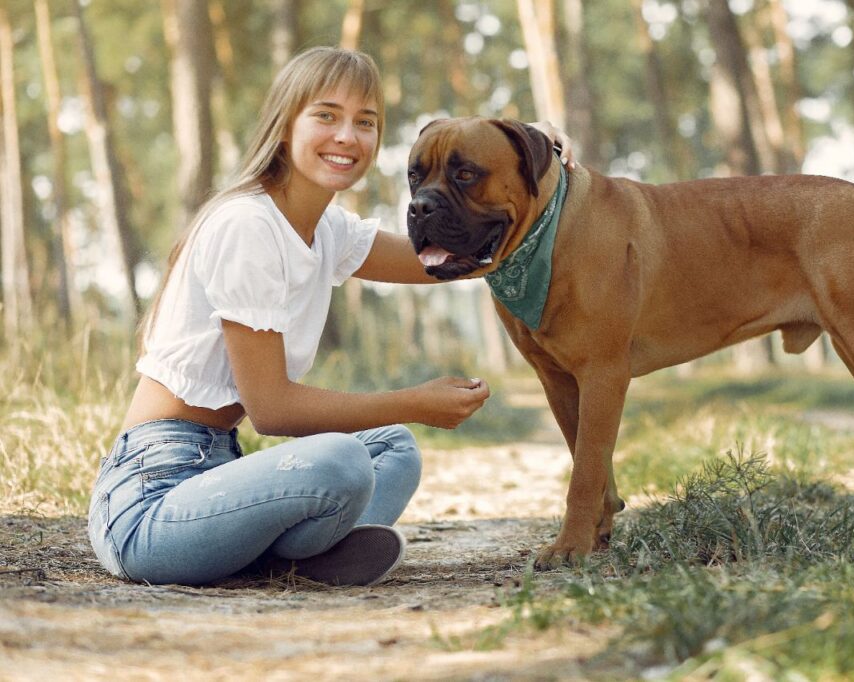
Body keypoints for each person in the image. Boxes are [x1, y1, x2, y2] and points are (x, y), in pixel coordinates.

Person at [88, 46, 574, 587]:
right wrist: (416, 402)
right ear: (284, 125)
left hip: (220, 471)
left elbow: (452, 256)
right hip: (148, 507)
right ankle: (285, 556)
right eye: (326, 115)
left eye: (365, 122)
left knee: (393, 447)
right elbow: (270, 409)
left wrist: (529, 146)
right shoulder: (247, 225)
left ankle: (273, 559)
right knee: (342, 462)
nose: (348, 136)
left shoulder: (328, 230)